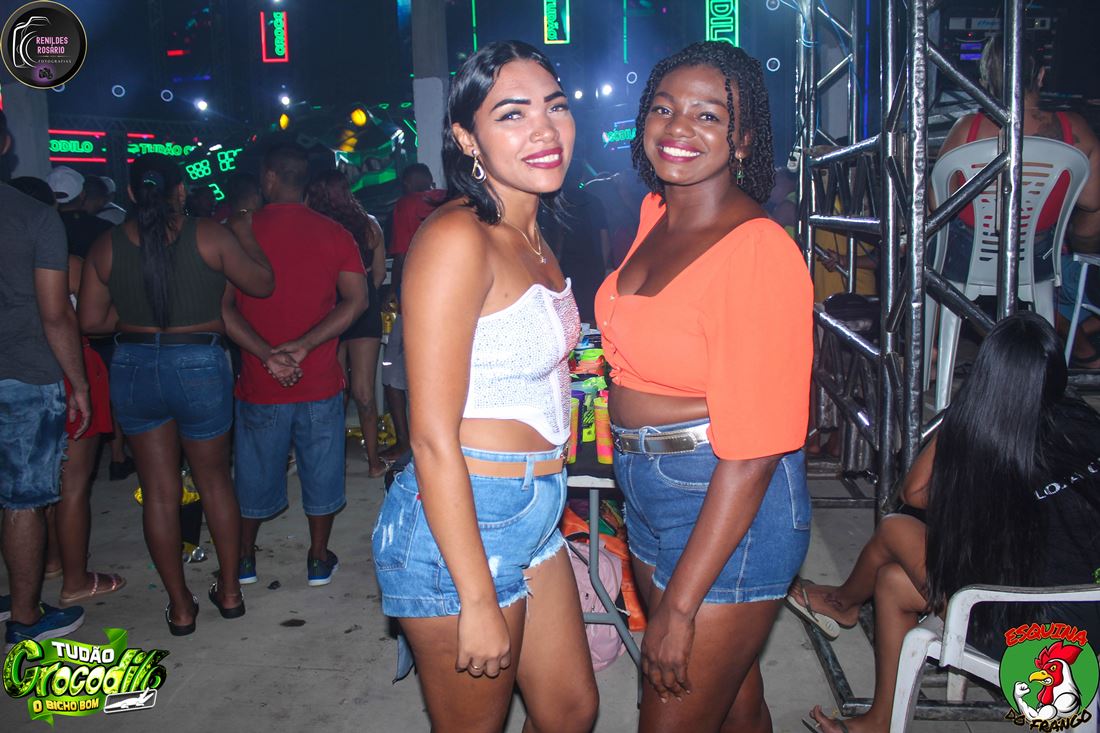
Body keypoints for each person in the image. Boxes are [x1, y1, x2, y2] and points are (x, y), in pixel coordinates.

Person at [371, 40, 598, 732]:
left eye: (555, 107)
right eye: (513, 114)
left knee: (570, 712)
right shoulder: (455, 238)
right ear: (467, 138)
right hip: (463, 519)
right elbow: (429, 436)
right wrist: (475, 597)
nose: (544, 129)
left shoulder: (533, 234)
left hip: (535, 510)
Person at [594, 42, 813, 732]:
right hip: (647, 487)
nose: (678, 127)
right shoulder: (655, 214)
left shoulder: (758, 249)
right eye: (664, 108)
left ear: (743, 139)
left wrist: (681, 608)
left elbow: (755, 451)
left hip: (723, 495)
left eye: (708, 115)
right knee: (737, 703)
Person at [801, 312, 1100, 732]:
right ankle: (880, 720)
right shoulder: (1084, 422)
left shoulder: (984, 440)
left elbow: (913, 493)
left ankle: (843, 603)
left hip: (1030, 645)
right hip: (1089, 619)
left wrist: (965, 412)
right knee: (892, 582)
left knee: (895, 528)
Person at [78, 153, 274, 635]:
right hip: (199, 362)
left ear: (130, 193)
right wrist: (246, 235)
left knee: (160, 493)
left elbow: (91, 321)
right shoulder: (208, 234)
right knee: (214, 481)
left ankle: (181, 607)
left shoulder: (106, 246)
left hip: (134, 365)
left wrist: (135, 318)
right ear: (181, 191)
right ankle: (230, 592)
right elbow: (262, 284)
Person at [223, 143, 367, 589]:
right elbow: (357, 301)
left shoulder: (236, 232)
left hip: (260, 378)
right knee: (322, 472)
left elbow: (222, 309)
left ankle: (244, 558)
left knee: (252, 474)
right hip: (318, 376)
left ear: (268, 178)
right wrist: (304, 345)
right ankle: (318, 559)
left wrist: (268, 354)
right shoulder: (335, 233)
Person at [935, 35, 1100, 365]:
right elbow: (1092, 202)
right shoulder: (1075, 128)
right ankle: (1076, 289)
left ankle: (939, 349)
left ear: (984, 81)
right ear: (1041, 75)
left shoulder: (967, 129)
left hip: (966, 257)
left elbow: (935, 205)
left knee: (925, 241)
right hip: (1039, 255)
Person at [1, 109, 90, 645]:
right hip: (24, 375)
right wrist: (78, 382)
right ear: (5, 145)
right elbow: (55, 314)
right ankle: (26, 617)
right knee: (23, 500)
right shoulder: (35, 218)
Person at [306, 169, 388, 478]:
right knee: (364, 391)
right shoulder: (369, 225)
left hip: (329, 308)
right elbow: (378, 274)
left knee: (335, 389)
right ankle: (374, 462)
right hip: (363, 306)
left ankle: (334, 462)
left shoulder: (316, 228)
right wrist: (365, 296)